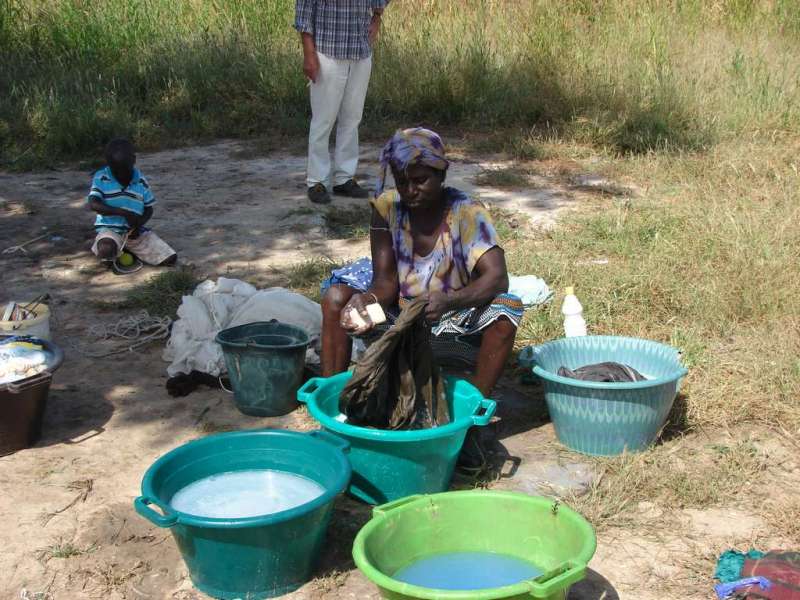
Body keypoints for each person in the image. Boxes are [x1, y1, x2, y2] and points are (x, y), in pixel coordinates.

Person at [320, 128, 523, 398]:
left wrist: (449, 301)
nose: (410, 191)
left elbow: (497, 278)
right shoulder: (387, 207)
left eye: (420, 180)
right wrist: (369, 299)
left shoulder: (467, 214)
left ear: (441, 175)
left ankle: (474, 409)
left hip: (455, 319)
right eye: (402, 182)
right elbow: (386, 281)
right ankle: (330, 397)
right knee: (336, 296)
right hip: (403, 316)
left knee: (507, 309)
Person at [294, 0, 389, 205]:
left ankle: (344, 178)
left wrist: (377, 17)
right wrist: (309, 53)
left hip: (360, 50)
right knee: (323, 120)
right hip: (327, 52)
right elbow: (304, 11)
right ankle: (317, 181)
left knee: (352, 118)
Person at [87, 138, 177, 269]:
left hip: (135, 233)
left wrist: (139, 224)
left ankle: (125, 250)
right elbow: (93, 204)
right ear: (108, 165)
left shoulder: (140, 180)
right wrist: (123, 212)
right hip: (110, 231)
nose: (121, 174)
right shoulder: (101, 177)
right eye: (116, 171)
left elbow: (149, 209)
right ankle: (116, 250)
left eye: (125, 170)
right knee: (106, 250)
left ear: (134, 160)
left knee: (170, 259)